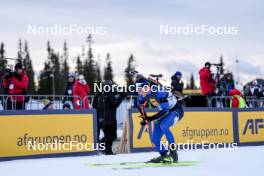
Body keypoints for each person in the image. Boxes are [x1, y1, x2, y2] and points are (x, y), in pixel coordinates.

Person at [136, 77, 184, 163]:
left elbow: (164, 111)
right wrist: (144, 118)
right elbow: (140, 106)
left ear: (146, 88)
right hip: (165, 111)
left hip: (175, 110)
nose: (138, 92)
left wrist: (149, 118)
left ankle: (173, 153)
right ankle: (164, 155)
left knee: (164, 126)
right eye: (137, 89)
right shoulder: (144, 94)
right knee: (154, 137)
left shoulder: (159, 92)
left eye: (140, 89)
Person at [93, 80, 125, 155]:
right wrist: (121, 96)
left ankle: (107, 150)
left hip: (103, 118)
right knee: (112, 135)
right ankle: (103, 147)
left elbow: (94, 105)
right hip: (109, 119)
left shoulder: (99, 94)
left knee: (109, 135)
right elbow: (115, 104)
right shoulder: (109, 94)